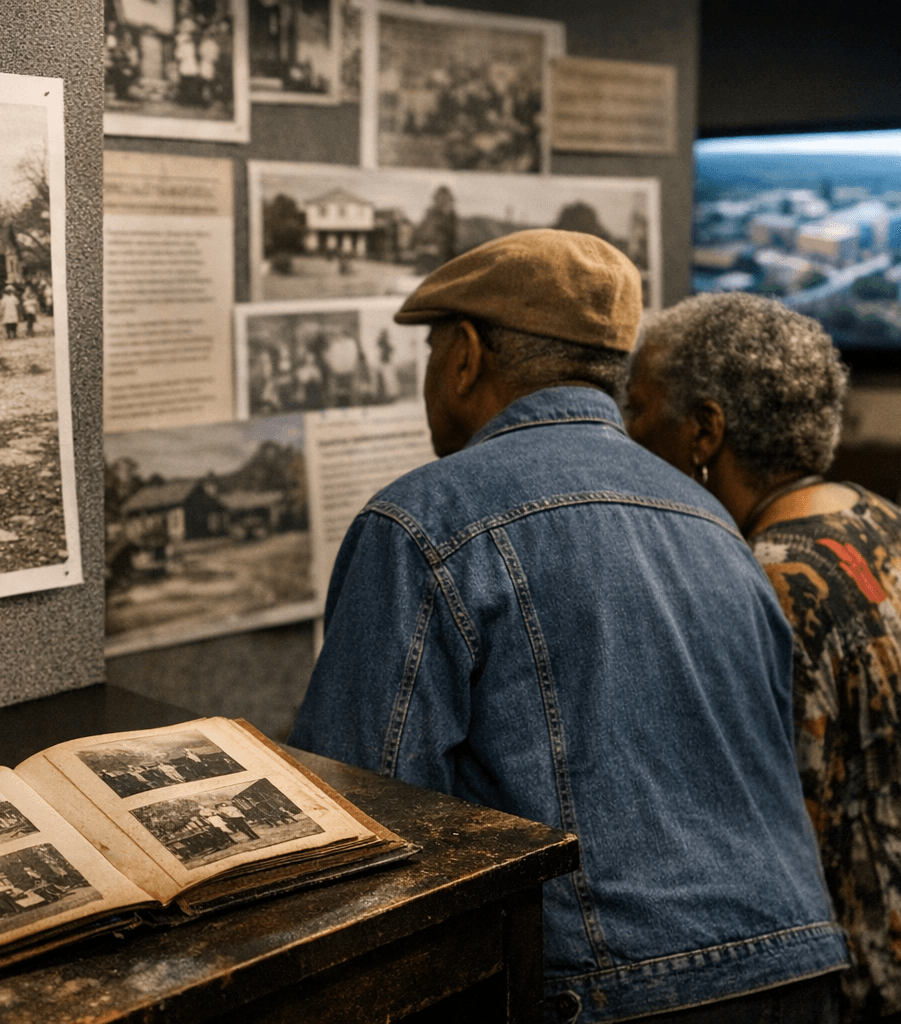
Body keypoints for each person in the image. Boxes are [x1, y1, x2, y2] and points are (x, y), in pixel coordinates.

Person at [287, 230, 848, 1023]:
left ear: (465, 357)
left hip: (614, 991)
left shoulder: (422, 521)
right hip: (800, 967)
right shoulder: (719, 521)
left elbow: (360, 813)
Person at [623, 291, 901, 1023]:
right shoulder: (891, 521)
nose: (627, 431)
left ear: (705, 431)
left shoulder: (767, 579)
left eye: (640, 407)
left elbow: (765, 829)